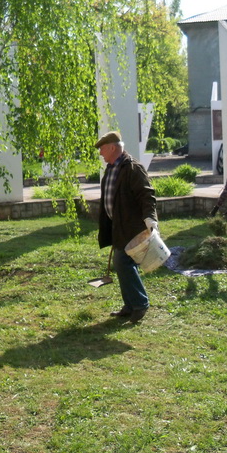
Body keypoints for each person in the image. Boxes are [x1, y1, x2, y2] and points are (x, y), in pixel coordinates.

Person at [96, 131, 158, 323]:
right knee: (122, 264)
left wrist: (150, 219)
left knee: (123, 263)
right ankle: (130, 305)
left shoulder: (133, 168)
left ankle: (140, 304)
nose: (100, 154)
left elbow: (147, 195)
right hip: (118, 226)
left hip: (131, 227)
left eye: (102, 149)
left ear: (113, 147)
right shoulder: (111, 168)